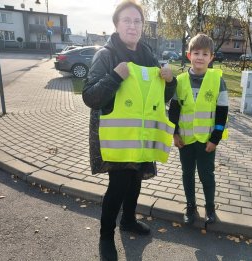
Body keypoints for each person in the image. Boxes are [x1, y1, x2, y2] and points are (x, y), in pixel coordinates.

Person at [82, 0, 176, 260]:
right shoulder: (106, 54)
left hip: (142, 135)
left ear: (142, 26)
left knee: (136, 180)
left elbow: (162, 95)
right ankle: (105, 235)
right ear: (116, 24)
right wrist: (114, 76)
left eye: (137, 21)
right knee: (119, 184)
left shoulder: (147, 54)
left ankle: (129, 221)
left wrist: (171, 82)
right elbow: (90, 97)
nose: (132, 26)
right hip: (118, 135)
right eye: (127, 20)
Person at [168, 33, 228, 225]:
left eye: (205, 53)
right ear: (189, 55)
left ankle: (210, 207)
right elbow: (174, 110)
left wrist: (215, 139)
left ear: (211, 57)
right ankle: (191, 206)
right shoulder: (180, 81)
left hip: (206, 142)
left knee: (206, 175)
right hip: (185, 141)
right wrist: (175, 133)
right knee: (187, 174)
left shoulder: (217, 81)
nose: (200, 57)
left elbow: (222, 112)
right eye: (196, 53)